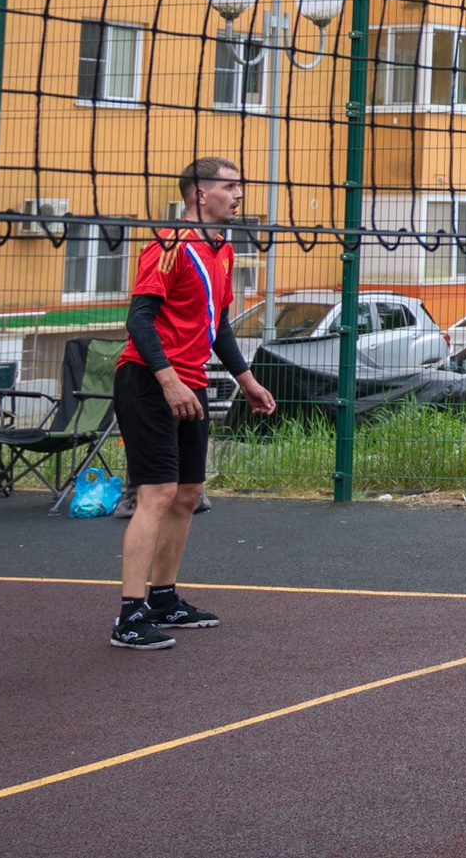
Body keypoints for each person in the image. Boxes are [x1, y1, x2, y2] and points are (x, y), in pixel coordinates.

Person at [112, 157, 278, 648]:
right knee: (156, 494)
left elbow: (217, 325)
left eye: (239, 185)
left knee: (187, 494)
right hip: (148, 379)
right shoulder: (169, 245)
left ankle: (163, 599)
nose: (239, 194)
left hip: (191, 382)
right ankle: (129, 614)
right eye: (230, 186)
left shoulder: (222, 249)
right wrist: (168, 380)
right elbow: (139, 321)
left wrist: (246, 379)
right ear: (200, 195)